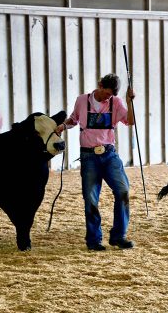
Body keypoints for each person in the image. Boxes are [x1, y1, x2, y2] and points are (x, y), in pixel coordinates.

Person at [56, 73, 135, 250]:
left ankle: (118, 236)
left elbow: (130, 121)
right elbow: (74, 119)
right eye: (106, 93)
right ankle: (94, 240)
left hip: (109, 154)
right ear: (99, 85)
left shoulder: (116, 102)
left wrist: (129, 102)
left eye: (111, 95)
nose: (108, 97)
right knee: (90, 198)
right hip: (89, 156)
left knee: (123, 191)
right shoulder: (82, 100)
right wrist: (63, 126)